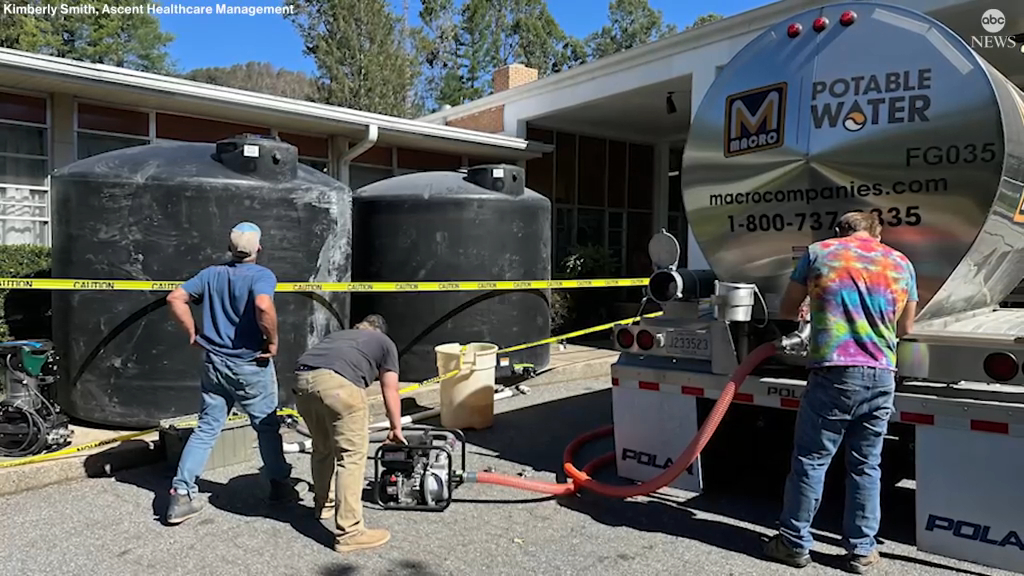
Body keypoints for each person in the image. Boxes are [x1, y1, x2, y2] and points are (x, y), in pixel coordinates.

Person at [763, 211, 918, 574]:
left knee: (811, 460)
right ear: (876, 234)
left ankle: (793, 543)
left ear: (840, 230)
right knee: (866, 466)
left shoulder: (820, 253)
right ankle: (862, 551)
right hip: (882, 373)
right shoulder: (900, 262)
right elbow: (906, 326)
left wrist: (813, 310)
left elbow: (786, 309)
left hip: (834, 372)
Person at [164, 222, 301, 525]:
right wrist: (273, 341)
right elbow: (263, 305)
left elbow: (175, 297)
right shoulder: (262, 276)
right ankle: (279, 487)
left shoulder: (211, 274)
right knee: (266, 427)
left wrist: (192, 332)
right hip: (250, 365)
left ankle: (181, 493)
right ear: (259, 249)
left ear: (230, 248)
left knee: (207, 428)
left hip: (215, 363)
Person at [292, 313, 406, 553]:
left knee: (322, 448)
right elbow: (390, 389)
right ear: (379, 332)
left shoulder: (339, 336)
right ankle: (350, 532)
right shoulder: (384, 343)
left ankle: (324, 505)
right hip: (338, 385)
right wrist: (396, 427)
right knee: (351, 457)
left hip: (302, 381)